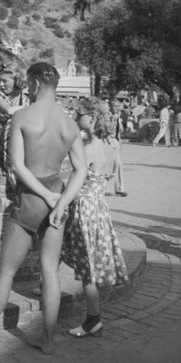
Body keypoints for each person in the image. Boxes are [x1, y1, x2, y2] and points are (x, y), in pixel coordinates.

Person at [0, 62, 87, 355]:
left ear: (37, 84)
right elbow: (81, 170)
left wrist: (43, 196)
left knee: (5, 273)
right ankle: (48, 340)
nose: (26, 88)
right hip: (57, 196)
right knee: (50, 272)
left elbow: (17, 165)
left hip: (31, 197)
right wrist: (60, 200)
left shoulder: (24, 117)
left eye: (28, 83)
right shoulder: (69, 123)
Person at [62, 97, 129, 338]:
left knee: (87, 267)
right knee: (85, 259)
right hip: (99, 206)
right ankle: (45, 286)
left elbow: (74, 181)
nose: (75, 118)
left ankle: (93, 319)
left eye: (78, 115)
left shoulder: (88, 148)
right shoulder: (110, 144)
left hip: (84, 207)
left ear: (90, 118)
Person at [0, 63, 30, 177]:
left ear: (17, 80)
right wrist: (35, 107)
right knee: (13, 122)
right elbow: (9, 110)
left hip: (22, 142)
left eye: (4, 81)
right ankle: (12, 170)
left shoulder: (27, 96)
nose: (0, 85)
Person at [102, 98, 128, 197]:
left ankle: (120, 188)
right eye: (115, 106)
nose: (117, 108)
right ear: (110, 106)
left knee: (119, 165)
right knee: (109, 166)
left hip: (115, 141)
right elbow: (106, 130)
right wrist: (110, 142)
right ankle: (106, 188)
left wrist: (119, 140)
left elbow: (118, 130)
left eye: (118, 106)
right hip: (108, 141)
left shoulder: (117, 116)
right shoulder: (106, 116)